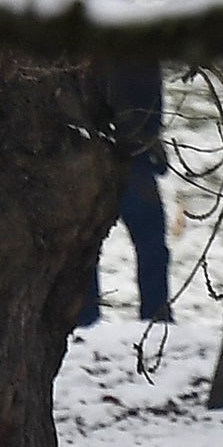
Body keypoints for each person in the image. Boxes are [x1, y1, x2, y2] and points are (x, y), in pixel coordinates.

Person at [77, 57, 172, 327]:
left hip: (119, 156)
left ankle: (89, 318)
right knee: (149, 244)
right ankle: (154, 316)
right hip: (117, 158)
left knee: (148, 245)